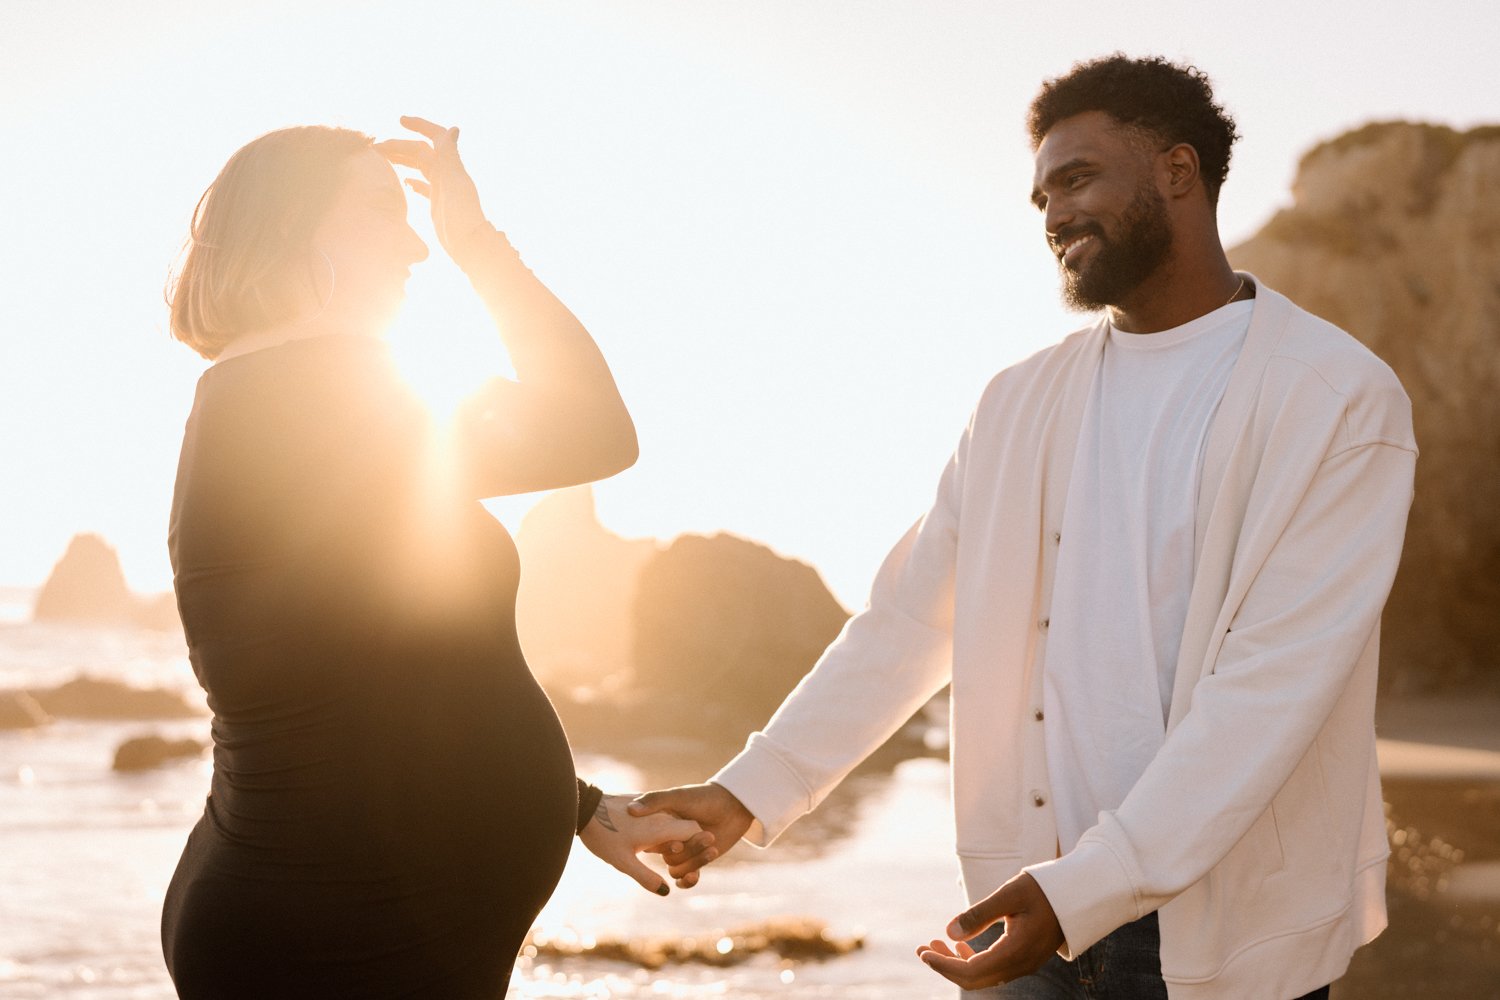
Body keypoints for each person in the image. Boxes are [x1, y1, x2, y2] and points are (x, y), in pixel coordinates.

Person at [629, 55, 1416, 999]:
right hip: (1025, 919)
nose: (1051, 216)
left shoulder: (1336, 397)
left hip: (1230, 932)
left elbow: (1273, 686)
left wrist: (1084, 888)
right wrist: (749, 790)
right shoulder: (1015, 403)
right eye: (1041, 195)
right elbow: (911, 622)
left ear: (1177, 170)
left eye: (1077, 179)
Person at [161, 118, 706, 999]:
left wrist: (577, 806)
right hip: (333, 936)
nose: (417, 245)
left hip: (352, 918)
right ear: (292, 231)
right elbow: (598, 428)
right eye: (383, 212)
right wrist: (479, 246)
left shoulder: (298, 404)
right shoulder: (315, 401)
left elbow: (386, 676)